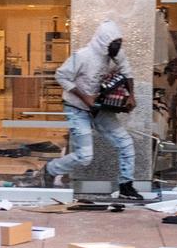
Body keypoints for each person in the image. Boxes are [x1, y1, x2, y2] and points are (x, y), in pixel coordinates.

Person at [44, 20, 144, 200]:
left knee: (125, 143)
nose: (118, 46)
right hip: (76, 108)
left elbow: (128, 72)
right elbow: (61, 76)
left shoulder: (115, 55)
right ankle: (50, 169)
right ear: (103, 41)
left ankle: (126, 185)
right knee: (85, 156)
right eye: (115, 43)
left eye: (120, 42)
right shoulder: (83, 55)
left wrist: (131, 95)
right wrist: (85, 97)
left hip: (99, 108)